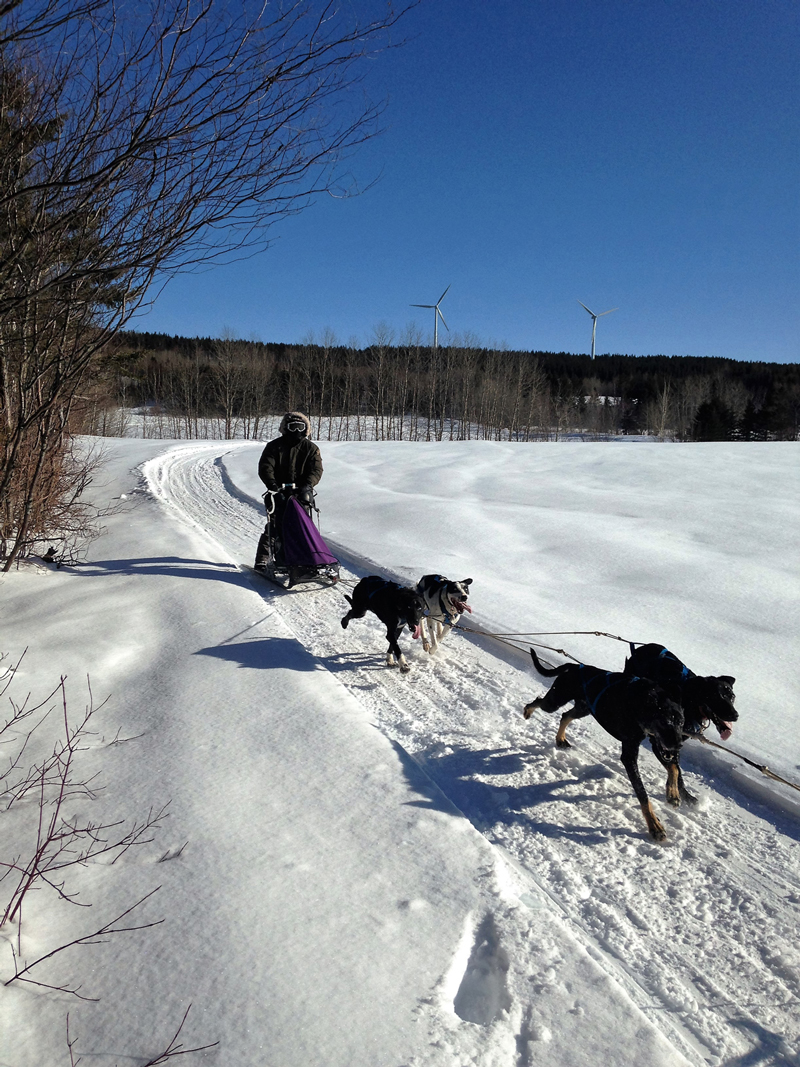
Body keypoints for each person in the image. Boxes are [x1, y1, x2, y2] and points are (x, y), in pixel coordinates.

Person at [254, 412, 323, 569]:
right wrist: (272, 484)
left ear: (306, 429)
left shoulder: (311, 448)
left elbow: (316, 469)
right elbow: (266, 467)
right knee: (275, 525)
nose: (296, 431)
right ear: (285, 428)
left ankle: (306, 558)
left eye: (300, 427)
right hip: (278, 492)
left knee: (304, 526)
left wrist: (307, 484)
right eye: (293, 427)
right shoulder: (274, 446)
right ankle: (263, 558)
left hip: (301, 493)